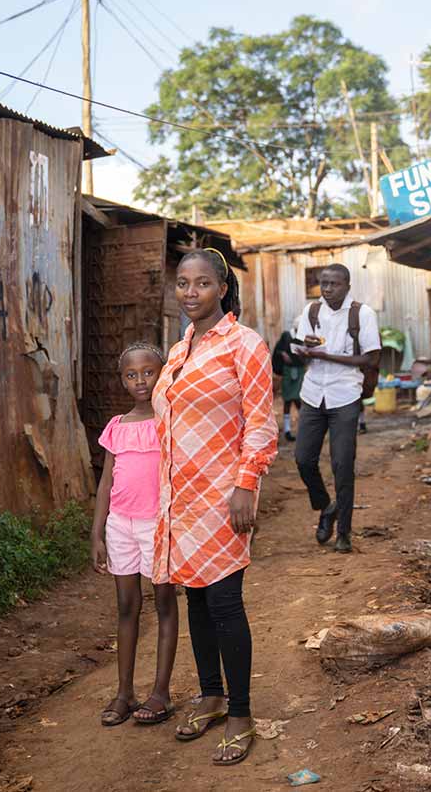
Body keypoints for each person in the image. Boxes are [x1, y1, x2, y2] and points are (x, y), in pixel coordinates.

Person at [152, 248, 278, 766]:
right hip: (180, 499)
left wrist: (246, 485)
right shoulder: (180, 349)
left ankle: (242, 714)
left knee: (225, 602)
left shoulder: (244, 344)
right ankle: (212, 696)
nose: (190, 292)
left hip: (224, 496)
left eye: (201, 283)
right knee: (196, 602)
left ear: (222, 288)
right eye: (182, 283)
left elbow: (261, 424)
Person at [91, 343, 179, 727]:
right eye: (131, 374)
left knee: (164, 605)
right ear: (122, 380)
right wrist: (97, 532)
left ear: (162, 374)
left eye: (148, 372)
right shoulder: (116, 426)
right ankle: (124, 692)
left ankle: (160, 692)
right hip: (120, 525)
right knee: (127, 607)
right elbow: (106, 484)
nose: (141, 380)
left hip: (157, 524)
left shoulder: (170, 421)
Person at [291, 264, 381, 554]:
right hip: (313, 393)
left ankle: (344, 532)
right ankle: (326, 506)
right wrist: (302, 349)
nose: (327, 289)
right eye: (324, 284)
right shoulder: (311, 311)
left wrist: (326, 355)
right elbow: (300, 344)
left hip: (345, 395)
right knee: (303, 459)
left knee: (342, 465)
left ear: (347, 285)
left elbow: (370, 359)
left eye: (334, 284)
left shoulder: (362, 314)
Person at [271, 331, 304, 441]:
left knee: (298, 401)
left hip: (298, 373)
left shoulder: (302, 339)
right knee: (288, 401)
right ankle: (287, 430)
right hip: (287, 374)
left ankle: (303, 428)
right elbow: (277, 353)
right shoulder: (286, 337)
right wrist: (282, 354)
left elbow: (305, 356)